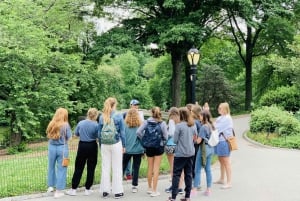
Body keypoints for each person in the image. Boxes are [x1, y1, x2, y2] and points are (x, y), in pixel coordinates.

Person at [66, 108, 99, 196]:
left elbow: (76, 134)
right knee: (91, 167)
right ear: (96, 115)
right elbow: (98, 137)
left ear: (88, 114)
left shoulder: (81, 123)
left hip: (82, 145)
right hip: (92, 146)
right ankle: (88, 189)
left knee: (79, 167)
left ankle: (73, 189)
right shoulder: (96, 125)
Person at [137, 106, 168, 197]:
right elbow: (166, 136)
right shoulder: (162, 123)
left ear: (151, 113)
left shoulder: (146, 122)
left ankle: (149, 188)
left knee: (150, 167)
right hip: (158, 147)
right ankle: (154, 190)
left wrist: (144, 139)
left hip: (149, 147)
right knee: (156, 168)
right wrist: (163, 142)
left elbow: (138, 132)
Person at [98, 97, 126, 199]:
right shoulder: (119, 115)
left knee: (105, 167)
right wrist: (124, 145)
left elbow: (99, 133)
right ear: (114, 105)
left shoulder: (102, 117)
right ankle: (117, 191)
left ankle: (105, 191)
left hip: (105, 144)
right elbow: (123, 132)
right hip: (116, 143)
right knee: (117, 167)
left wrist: (101, 145)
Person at [167, 107, 196, 201]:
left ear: (180, 115)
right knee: (188, 174)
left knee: (176, 175)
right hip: (191, 152)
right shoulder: (193, 125)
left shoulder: (179, 126)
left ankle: (173, 197)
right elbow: (195, 139)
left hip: (180, 154)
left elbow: (175, 140)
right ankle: (187, 196)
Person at [46, 108, 72, 198]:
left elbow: (48, 135)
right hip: (62, 148)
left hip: (51, 147)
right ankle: (58, 191)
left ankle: (50, 186)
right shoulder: (66, 125)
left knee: (51, 166)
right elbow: (69, 137)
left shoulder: (51, 123)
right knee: (62, 168)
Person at [193, 110, 215, 196]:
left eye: (201, 116)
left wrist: (194, 139)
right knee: (208, 169)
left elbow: (198, 141)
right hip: (210, 148)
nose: (199, 117)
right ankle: (208, 189)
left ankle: (194, 189)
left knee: (197, 169)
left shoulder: (203, 127)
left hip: (203, 149)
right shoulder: (211, 126)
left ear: (204, 117)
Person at [122, 108, 144, 193]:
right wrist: (144, 149)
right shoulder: (140, 125)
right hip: (137, 149)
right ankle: (134, 186)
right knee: (136, 167)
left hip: (126, 149)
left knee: (122, 167)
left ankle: (118, 184)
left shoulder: (124, 125)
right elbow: (142, 138)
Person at [164, 107, 184, 194]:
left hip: (170, 145)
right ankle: (180, 187)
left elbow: (171, 133)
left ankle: (174, 186)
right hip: (179, 146)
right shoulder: (181, 121)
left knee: (172, 167)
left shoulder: (171, 121)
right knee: (181, 167)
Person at [214, 102, 234, 189]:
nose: (218, 109)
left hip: (224, 142)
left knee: (226, 161)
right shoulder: (220, 117)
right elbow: (214, 126)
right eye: (218, 108)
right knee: (221, 160)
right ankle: (222, 178)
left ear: (225, 109)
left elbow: (216, 128)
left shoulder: (227, 118)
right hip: (219, 141)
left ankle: (229, 182)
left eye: (220, 108)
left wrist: (215, 125)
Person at [190, 104, 202, 180]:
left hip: (194, 144)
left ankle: (194, 179)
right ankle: (195, 178)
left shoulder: (194, 122)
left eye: (191, 111)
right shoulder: (199, 121)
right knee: (195, 161)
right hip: (197, 144)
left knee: (193, 162)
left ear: (194, 112)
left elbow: (194, 133)